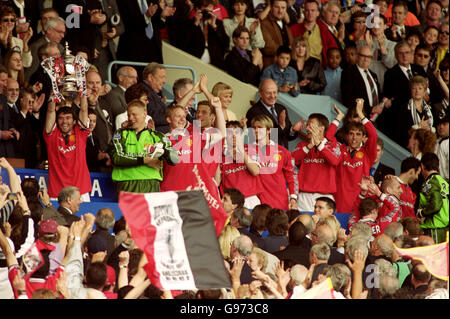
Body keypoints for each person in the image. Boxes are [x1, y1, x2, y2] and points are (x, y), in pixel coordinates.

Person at [108, 99, 178, 194]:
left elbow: (174, 159)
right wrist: (146, 160)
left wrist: (163, 152)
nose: (131, 118)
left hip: (151, 184)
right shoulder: (120, 134)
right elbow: (117, 158)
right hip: (126, 184)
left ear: (144, 114)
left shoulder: (157, 136)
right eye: (129, 115)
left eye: (134, 114)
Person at [327, 100, 378, 214]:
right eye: (351, 134)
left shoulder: (367, 153)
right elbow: (329, 137)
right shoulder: (340, 149)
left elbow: (374, 135)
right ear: (346, 135)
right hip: (339, 201)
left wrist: (360, 113)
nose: (354, 138)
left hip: (360, 201)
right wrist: (338, 117)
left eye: (358, 134)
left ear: (364, 137)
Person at [43, 94, 91, 201]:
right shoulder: (51, 136)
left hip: (80, 192)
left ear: (74, 121)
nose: (64, 122)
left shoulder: (80, 133)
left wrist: (82, 92)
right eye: (61, 118)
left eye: (68, 118)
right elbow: (51, 111)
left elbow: (84, 109)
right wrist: (53, 92)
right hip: (57, 193)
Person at [291, 113, 341, 212]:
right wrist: (309, 146)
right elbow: (291, 161)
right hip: (304, 196)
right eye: (307, 125)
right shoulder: (302, 145)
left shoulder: (334, 145)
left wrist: (318, 144)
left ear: (321, 128)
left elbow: (334, 161)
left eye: (311, 125)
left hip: (325, 197)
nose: (307, 128)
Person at [247, 114, 297, 210]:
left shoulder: (283, 152)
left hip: (279, 201)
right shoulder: (247, 151)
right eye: (254, 128)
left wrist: (293, 198)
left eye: (260, 128)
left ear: (269, 130)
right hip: (257, 203)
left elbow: (291, 176)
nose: (256, 130)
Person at [380, 41, 426, 139]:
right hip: (403, 118)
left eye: (407, 53)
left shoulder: (419, 69)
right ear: (396, 56)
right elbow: (390, 98)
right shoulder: (390, 74)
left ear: (411, 54)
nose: (404, 56)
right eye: (401, 53)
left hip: (422, 113)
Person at [245, 78, 304, 150]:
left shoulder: (281, 108)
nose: (272, 96)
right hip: (265, 155)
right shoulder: (253, 112)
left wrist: (293, 130)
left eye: (275, 92)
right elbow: (258, 137)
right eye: (268, 93)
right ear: (260, 94)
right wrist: (281, 126)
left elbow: (286, 137)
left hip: (283, 155)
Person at [116, 0, 175, 66]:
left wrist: (163, 16)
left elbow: (157, 24)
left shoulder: (152, 1)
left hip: (153, 48)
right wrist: (146, 16)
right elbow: (127, 24)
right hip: (134, 50)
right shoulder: (123, 1)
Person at [220, 121, 261, 209]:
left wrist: (241, 150)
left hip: (251, 199)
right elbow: (216, 181)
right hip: (231, 203)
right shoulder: (221, 156)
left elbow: (255, 171)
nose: (234, 136)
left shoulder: (250, 150)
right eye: (230, 133)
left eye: (237, 133)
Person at [178, 0, 230, 71]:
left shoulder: (218, 24)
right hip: (194, 60)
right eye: (205, 6)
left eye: (211, 6)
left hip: (214, 63)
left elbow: (226, 44)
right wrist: (195, 24)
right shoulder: (189, 24)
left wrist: (215, 27)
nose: (208, 9)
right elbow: (183, 43)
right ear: (198, 9)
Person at [340, 45, 386, 120]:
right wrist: (370, 109)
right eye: (363, 56)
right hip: (359, 118)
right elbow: (347, 98)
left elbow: (377, 95)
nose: (365, 59)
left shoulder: (373, 75)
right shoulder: (348, 73)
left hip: (377, 118)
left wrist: (384, 102)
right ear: (357, 56)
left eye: (368, 57)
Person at [289, 0, 338, 68]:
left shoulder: (324, 30)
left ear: (318, 13)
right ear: (303, 12)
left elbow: (334, 49)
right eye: (307, 10)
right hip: (299, 68)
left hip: (319, 69)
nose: (310, 13)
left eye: (312, 10)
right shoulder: (293, 30)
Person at [394, 75, 436, 148]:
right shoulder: (403, 109)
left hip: (427, 147)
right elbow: (400, 133)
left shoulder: (430, 109)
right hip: (409, 147)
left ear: (424, 91)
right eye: (414, 88)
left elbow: (436, 129)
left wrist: (429, 129)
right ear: (411, 90)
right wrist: (418, 127)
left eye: (420, 88)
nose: (417, 91)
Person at [417, 152, 449, 243]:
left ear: (422, 166)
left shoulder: (430, 182)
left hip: (434, 227)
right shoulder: (444, 183)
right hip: (444, 227)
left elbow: (436, 205)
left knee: (433, 256)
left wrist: (421, 213)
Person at [26, 16, 65, 81]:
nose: (62, 35)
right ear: (49, 30)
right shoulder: (36, 47)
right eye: (59, 32)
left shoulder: (60, 47)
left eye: (63, 32)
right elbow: (30, 74)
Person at [260, 0, 294, 68]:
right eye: (277, 7)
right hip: (271, 67)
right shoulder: (264, 24)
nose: (280, 11)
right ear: (271, 8)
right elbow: (268, 47)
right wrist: (287, 49)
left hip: (288, 67)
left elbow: (292, 45)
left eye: (283, 8)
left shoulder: (286, 26)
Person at [104, 66, 138, 131]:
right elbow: (120, 114)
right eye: (132, 77)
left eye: (136, 78)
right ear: (121, 78)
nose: (135, 81)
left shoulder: (135, 95)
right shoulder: (113, 94)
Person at [141, 62, 169, 134]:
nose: (164, 81)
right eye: (162, 77)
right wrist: (172, 118)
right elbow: (152, 117)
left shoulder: (152, 92)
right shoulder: (143, 91)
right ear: (150, 77)